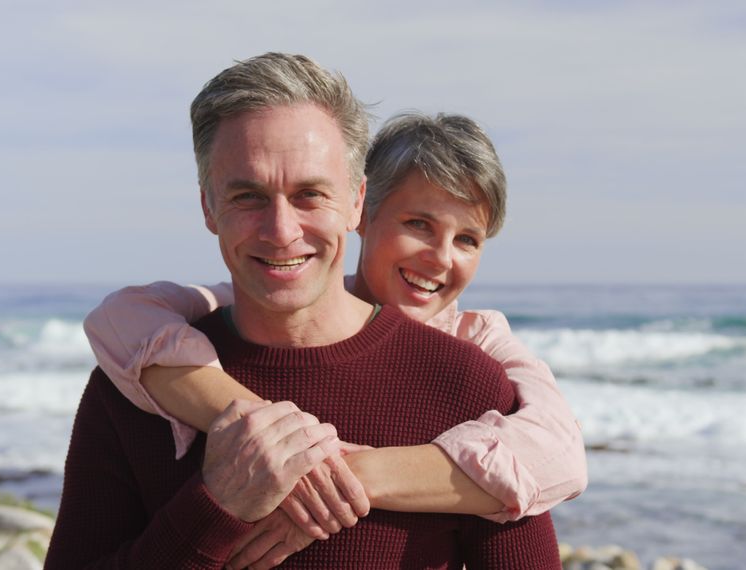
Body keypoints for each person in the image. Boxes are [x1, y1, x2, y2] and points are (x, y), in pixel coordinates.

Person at [46, 52, 564, 568]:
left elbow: (556, 452)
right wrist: (215, 507)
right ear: (208, 206)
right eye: (248, 196)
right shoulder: (137, 384)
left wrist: (334, 473)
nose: (281, 231)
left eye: (310, 195)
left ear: (356, 203)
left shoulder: (470, 389)